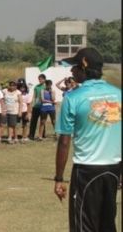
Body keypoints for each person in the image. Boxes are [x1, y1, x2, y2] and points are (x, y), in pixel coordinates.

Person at [54, 47, 121, 231]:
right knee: (107, 224)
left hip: (86, 171)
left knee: (83, 226)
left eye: (74, 66)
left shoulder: (73, 97)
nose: (71, 71)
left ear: (84, 65)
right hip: (114, 170)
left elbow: (64, 141)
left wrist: (59, 178)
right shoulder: (118, 94)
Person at [28, 74, 46, 140]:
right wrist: (32, 104)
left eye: (41, 79)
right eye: (39, 79)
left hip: (43, 106)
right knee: (33, 121)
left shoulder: (46, 87)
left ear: (44, 79)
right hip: (36, 106)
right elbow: (34, 96)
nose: (40, 80)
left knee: (43, 121)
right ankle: (31, 135)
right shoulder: (36, 87)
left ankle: (42, 135)